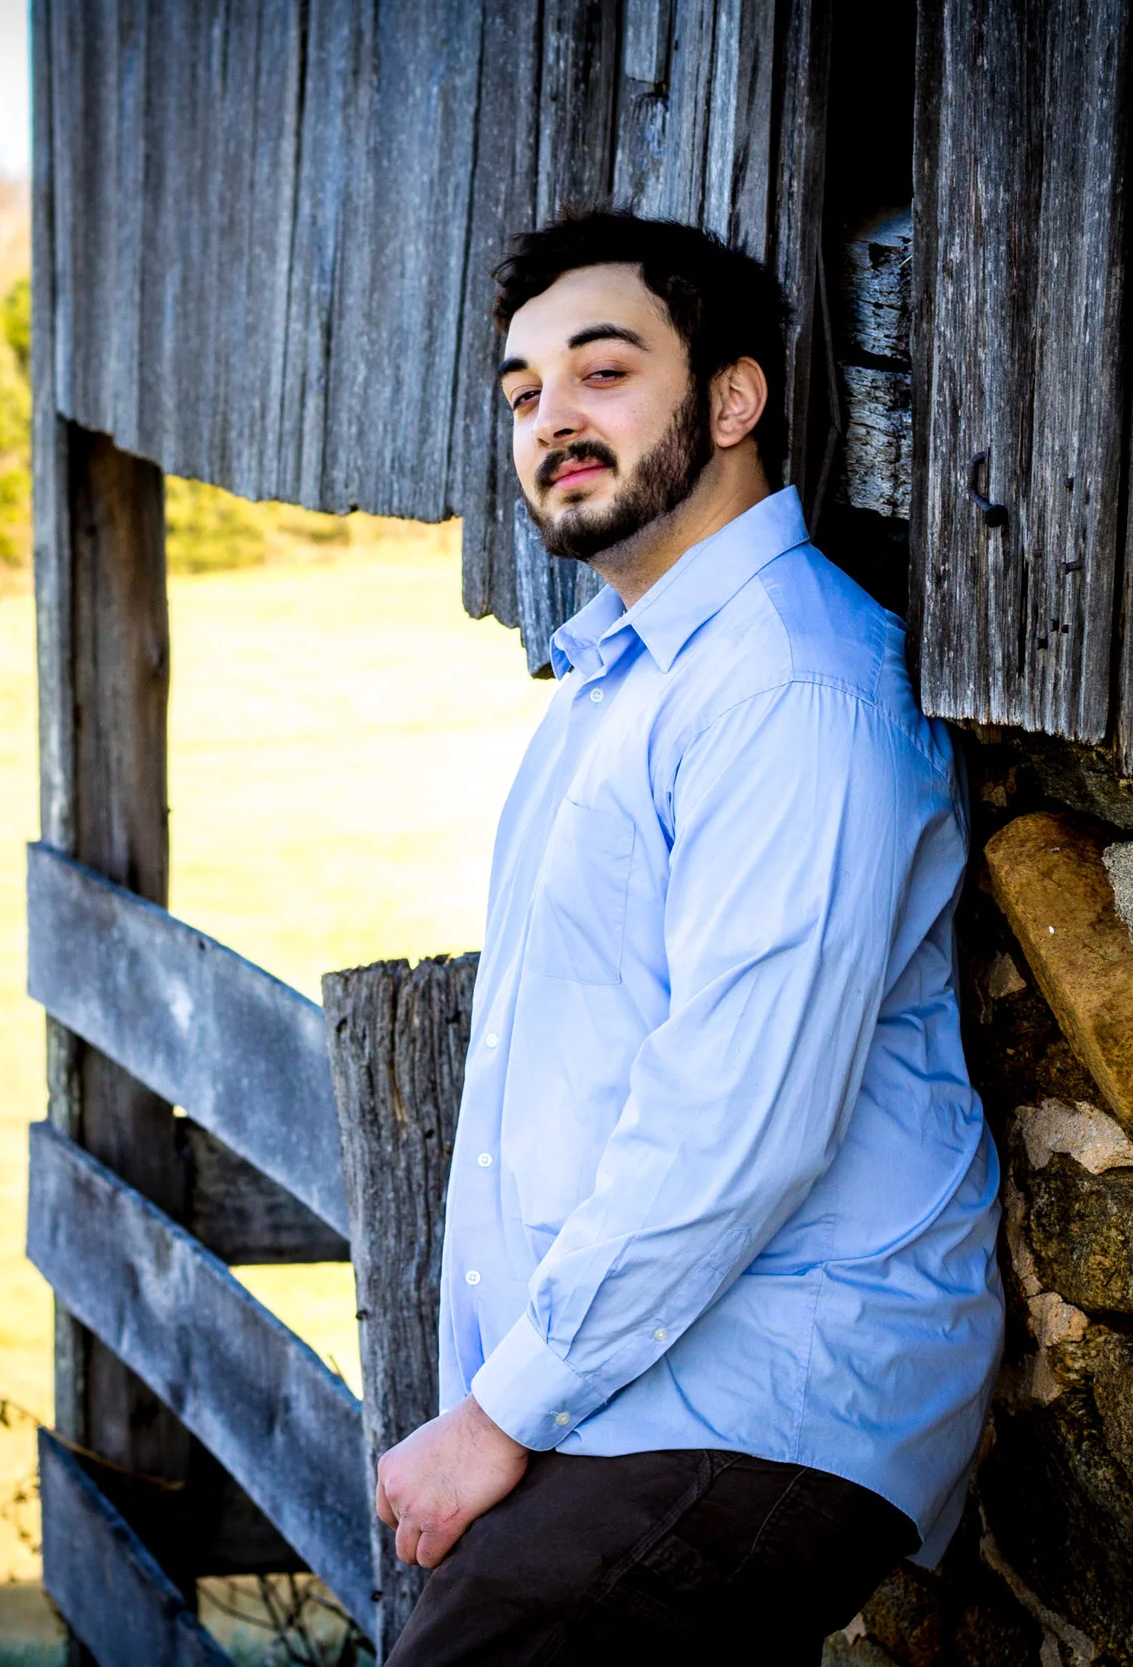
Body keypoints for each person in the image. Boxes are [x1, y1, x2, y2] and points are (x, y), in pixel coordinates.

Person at [374, 212, 1004, 1663]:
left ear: (732, 400)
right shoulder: (624, 683)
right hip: (628, 1394)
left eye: (603, 373)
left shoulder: (792, 686)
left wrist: (497, 1415)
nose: (552, 419)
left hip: (761, 1398)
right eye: (525, 393)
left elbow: (739, 1121)